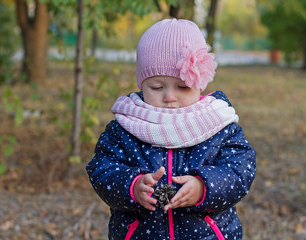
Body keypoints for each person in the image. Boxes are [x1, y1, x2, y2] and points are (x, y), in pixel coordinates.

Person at [86, 18, 256, 240]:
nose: (169, 97)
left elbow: (240, 170)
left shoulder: (218, 123)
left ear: (200, 82)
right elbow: (102, 169)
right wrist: (132, 185)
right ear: (141, 84)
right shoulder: (125, 127)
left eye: (183, 87)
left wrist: (204, 186)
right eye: (156, 87)